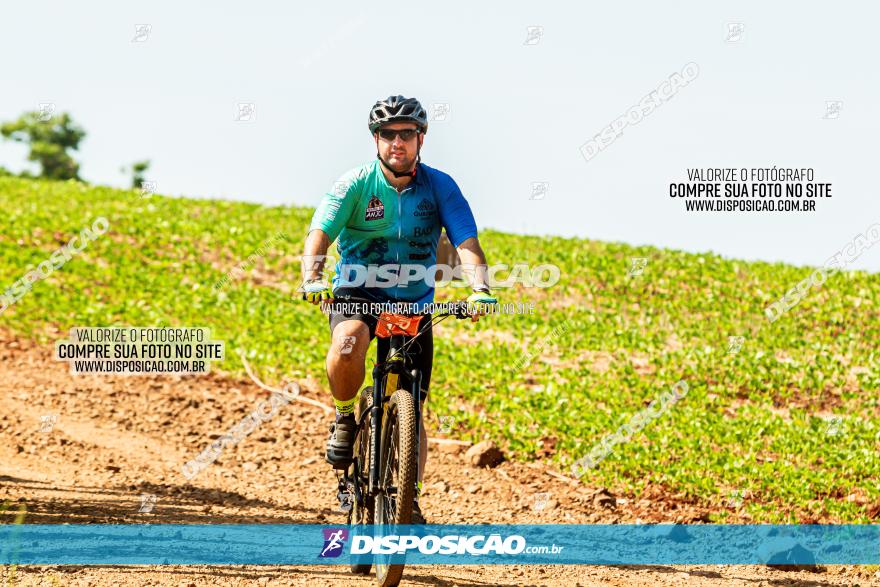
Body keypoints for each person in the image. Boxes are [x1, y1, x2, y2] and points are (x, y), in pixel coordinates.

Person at [299, 95, 497, 523]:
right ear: (376, 140)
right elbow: (319, 235)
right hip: (358, 293)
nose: (397, 142)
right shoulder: (354, 183)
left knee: (412, 404)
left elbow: (467, 244)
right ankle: (345, 416)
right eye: (388, 134)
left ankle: (411, 497)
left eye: (406, 134)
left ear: (420, 138)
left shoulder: (440, 186)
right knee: (349, 342)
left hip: (412, 302)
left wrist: (480, 289)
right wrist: (313, 278)